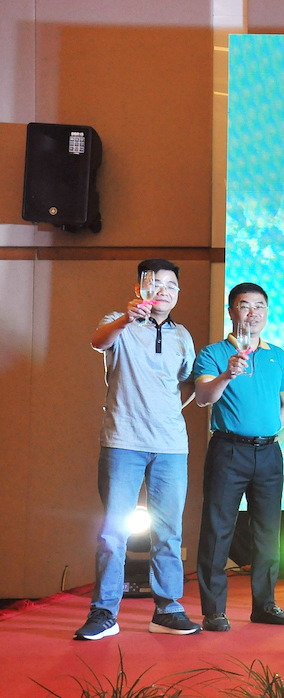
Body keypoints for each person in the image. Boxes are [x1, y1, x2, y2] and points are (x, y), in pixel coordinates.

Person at [76, 258, 200, 640]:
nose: (164, 290)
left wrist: (167, 409)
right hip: (123, 441)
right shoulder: (118, 321)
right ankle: (103, 612)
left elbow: (188, 382)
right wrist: (126, 320)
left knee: (169, 531)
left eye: (171, 285)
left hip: (171, 446)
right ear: (140, 288)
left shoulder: (182, 336)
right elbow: (98, 341)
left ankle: (168, 609)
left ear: (178, 293)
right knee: (113, 532)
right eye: (156, 283)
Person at [193, 282, 284, 631]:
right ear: (230, 311)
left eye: (259, 306)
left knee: (268, 532)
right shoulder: (213, 352)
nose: (252, 313)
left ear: (266, 313)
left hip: (268, 452)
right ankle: (214, 610)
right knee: (218, 530)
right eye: (244, 305)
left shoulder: (277, 355)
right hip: (228, 450)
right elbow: (204, 397)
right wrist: (228, 373)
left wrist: (266, 431)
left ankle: (265, 605)